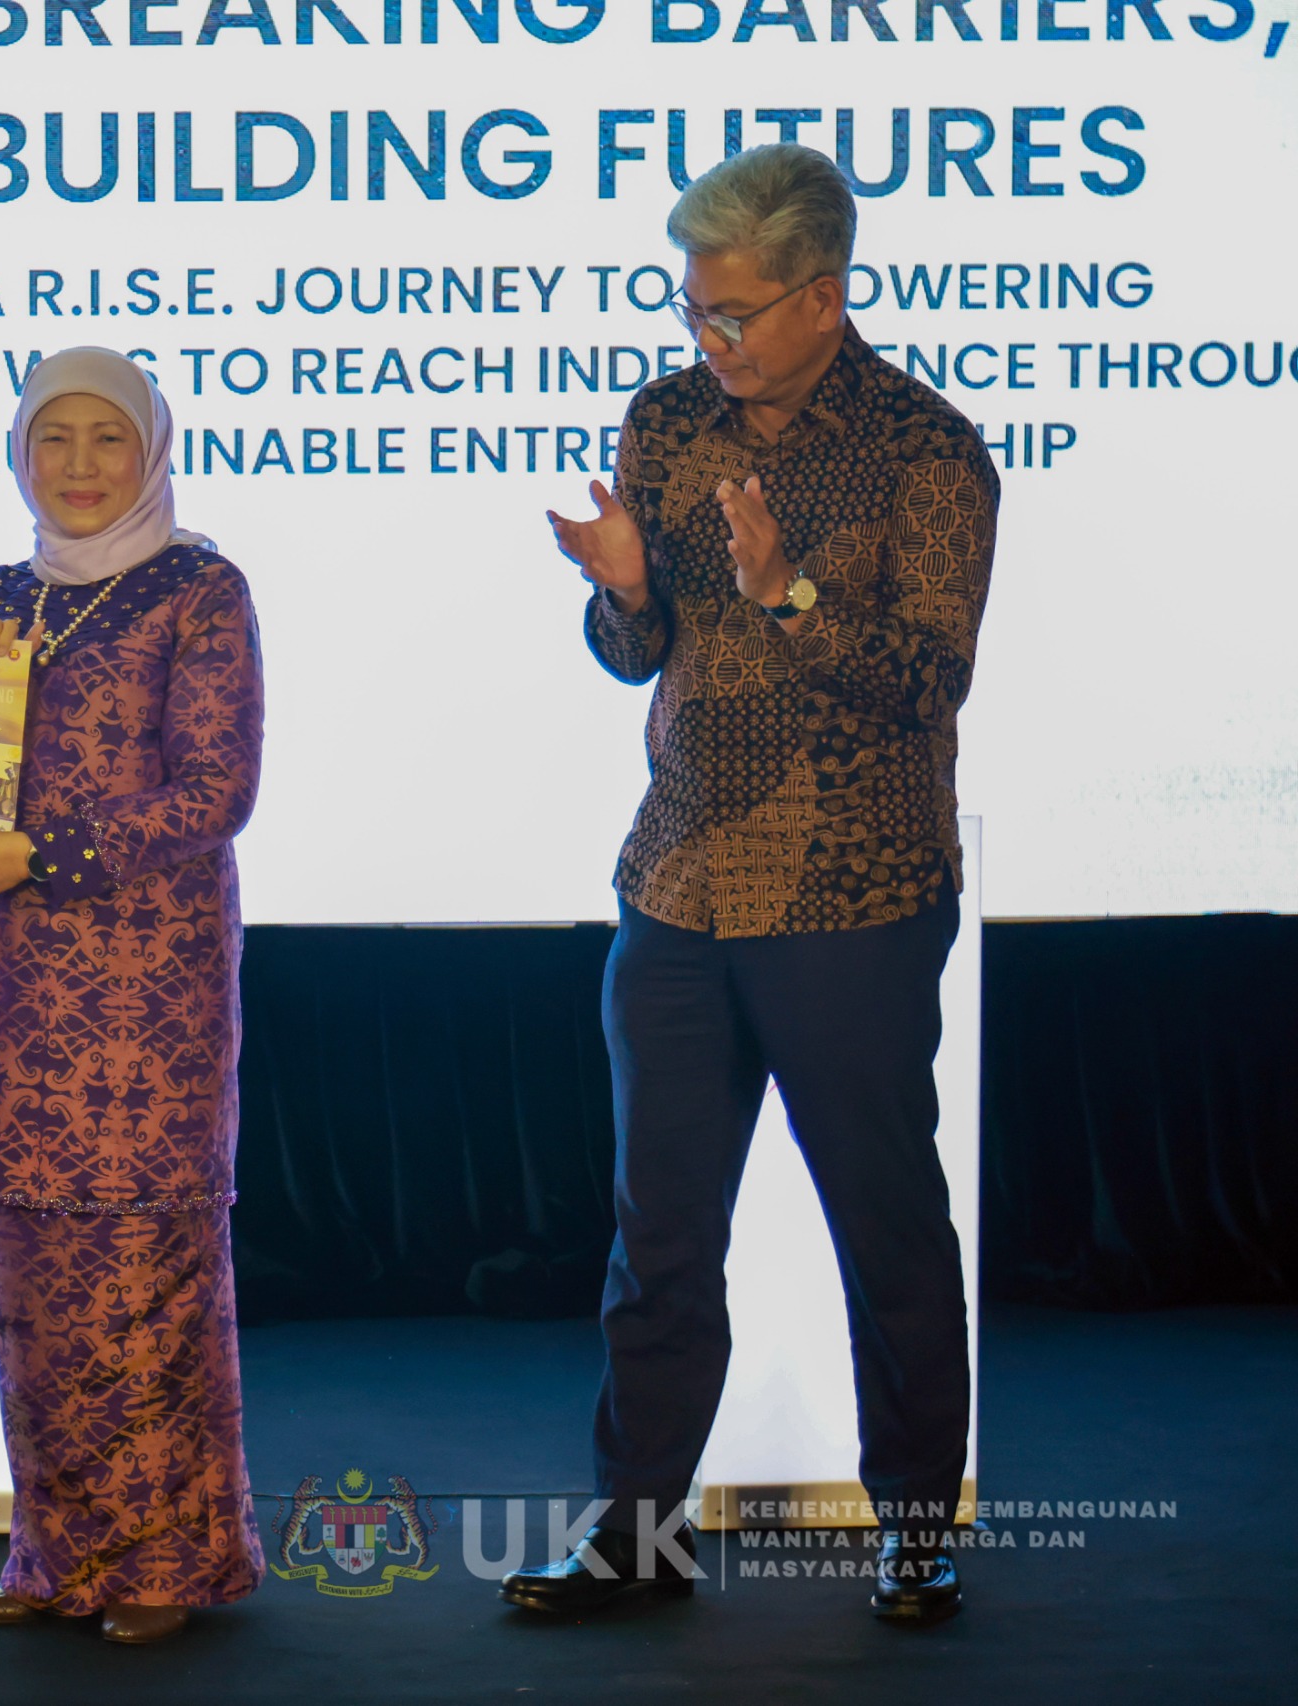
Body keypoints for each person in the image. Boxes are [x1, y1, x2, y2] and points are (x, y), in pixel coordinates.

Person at [510, 143, 996, 1626]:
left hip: (854, 892)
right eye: (691, 307)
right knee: (658, 1234)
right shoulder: (666, 421)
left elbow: (927, 679)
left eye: (730, 313)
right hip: (678, 882)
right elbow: (637, 658)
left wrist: (786, 590)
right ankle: (635, 1534)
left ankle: (914, 1526)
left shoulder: (926, 451)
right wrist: (625, 588)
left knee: (884, 1221)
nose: (704, 337)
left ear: (822, 296)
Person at [0, 347, 267, 1646]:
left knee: (139, 1271)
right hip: (13, 982)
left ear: (152, 449)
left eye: (106, 437)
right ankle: (54, 1553)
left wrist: (40, 852)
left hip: (146, 990)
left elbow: (215, 792)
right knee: (25, 1268)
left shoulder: (200, 589)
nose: (78, 465)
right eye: (52, 438)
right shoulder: (1, 596)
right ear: (18, 452)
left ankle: (167, 1558)